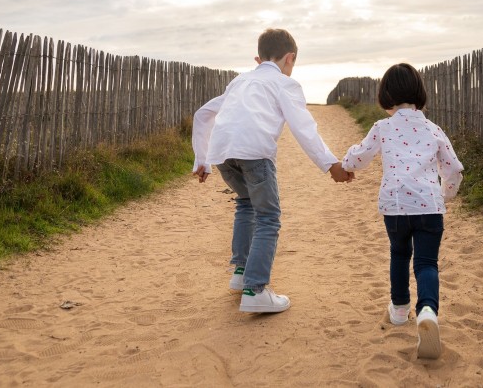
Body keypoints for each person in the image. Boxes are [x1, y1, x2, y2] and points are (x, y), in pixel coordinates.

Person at [192, 28, 353, 314]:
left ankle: (241, 274)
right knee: (268, 217)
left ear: (258, 59)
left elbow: (203, 114)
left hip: (222, 154)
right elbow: (303, 127)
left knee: (245, 204)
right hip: (254, 153)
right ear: (290, 58)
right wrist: (330, 164)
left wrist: (201, 160)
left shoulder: (239, 81)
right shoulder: (283, 84)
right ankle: (256, 289)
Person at [341, 62, 463, 359]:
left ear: (386, 95)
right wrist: (444, 195)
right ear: (419, 93)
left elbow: (360, 157)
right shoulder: (433, 129)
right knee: (426, 263)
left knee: (399, 254)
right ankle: (428, 313)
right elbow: (454, 169)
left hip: (395, 206)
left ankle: (398, 311)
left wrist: (346, 165)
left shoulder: (383, 127)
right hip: (429, 206)